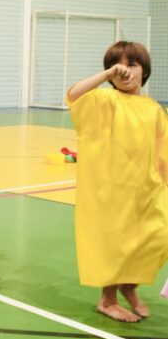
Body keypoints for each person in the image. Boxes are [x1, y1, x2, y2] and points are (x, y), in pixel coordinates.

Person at [68, 40, 168, 322]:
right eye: (119, 66)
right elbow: (74, 95)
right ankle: (108, 299)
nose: (125, 71)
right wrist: (106, 75)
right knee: (116, 244)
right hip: (111, 189)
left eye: (131, 65)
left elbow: (163, 150)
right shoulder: (103, 100)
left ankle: (129, 284)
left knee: (158, 238)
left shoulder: (153, 108)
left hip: (146, 189)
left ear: (144, 71)